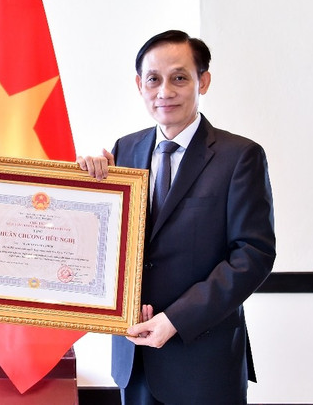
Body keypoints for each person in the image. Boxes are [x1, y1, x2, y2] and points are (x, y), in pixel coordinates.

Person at [78, 30, 276, 404]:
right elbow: (111, 244)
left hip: (203, 359)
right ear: (140, 85)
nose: (164, 91)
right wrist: (87, 190)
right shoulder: (124, 149)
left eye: (179, 78)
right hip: (134, 354)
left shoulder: (239, 156)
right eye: (153, 79)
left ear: (204, 81)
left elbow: (253, 255)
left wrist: (175, 320)